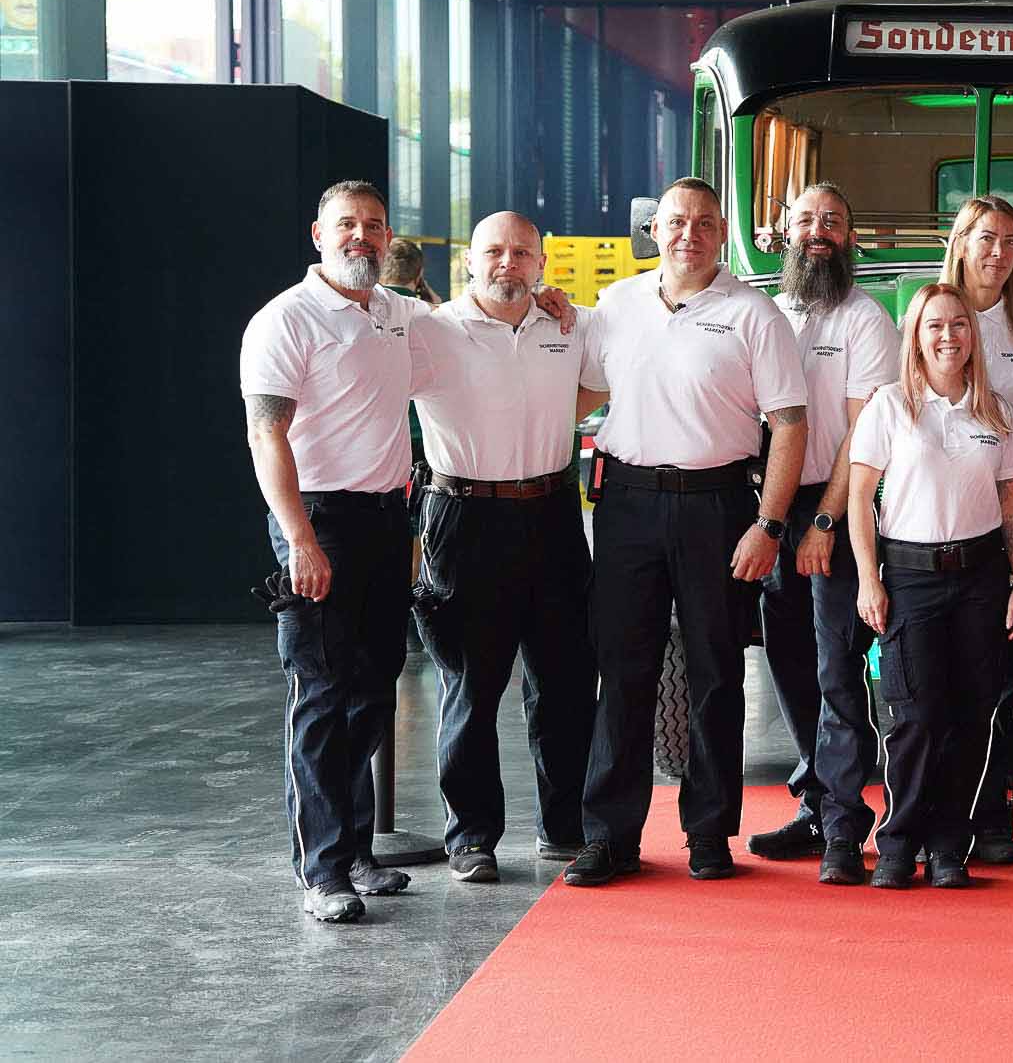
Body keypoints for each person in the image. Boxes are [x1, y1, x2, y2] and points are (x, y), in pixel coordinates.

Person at [566, 177, 808, 886]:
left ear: (722, 231)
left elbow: (790, 424)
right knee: (623, 671)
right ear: (655, 230)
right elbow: (586, 391)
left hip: (718, 507)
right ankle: (610, 837)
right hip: (626, 505)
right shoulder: (615, 305)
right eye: (676, 221)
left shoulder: (754, 313)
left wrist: (769, 525)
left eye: (704, 222)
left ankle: (708, 832)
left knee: (715, 671)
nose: (689, 235)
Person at [240, 180, 429, 923]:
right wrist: (300, 539)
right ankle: (321, 870)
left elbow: (476, 321)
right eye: (347, 224)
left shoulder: (396, 312)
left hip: (385, 520)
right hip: (318, 521)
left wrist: (545, 301)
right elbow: (266, 434)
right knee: (320, 695)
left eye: (374, 225)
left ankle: (354, 851)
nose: (362, 235)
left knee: (373, 691)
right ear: (318, 234)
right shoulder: (285, 318)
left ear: (388, 238)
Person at [405, 211, 605, 883]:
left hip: (552, 513)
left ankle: (564, 827)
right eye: (495, 251)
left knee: (566, 681)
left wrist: (542, 416)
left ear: (542, 263)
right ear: (470, 259)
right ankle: (471, 837)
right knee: (471, 683)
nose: (508, 263)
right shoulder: (432, 330)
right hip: (463, 517)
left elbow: (604, 381)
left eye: (522, 252)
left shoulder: (567, 326)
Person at [848, 284, 1013, 888]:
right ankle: (899, 842)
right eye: (935, 325)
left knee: (972, 716)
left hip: (982, 578)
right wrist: (868, 579)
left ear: (973, 335)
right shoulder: (889, 406)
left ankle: (950, 845)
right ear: (916, 336)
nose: (948, 336)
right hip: (910, 578)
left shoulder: (996, 410)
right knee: (917, 716)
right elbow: (859, 498)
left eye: (959, 324)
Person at [748, 183, 901, 872]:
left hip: (832, 511)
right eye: (806, 219)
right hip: (769, 510)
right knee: (788, 661)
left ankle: (843, 823)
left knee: (837, 668)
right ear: (785, 233)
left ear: (850, 238)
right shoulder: (765, 313)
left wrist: (825, 520)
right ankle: (818, 805)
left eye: (832, 221)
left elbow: (863, 435)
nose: (818, 231)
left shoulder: (866, 320)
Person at [942, 195, 1013, 865]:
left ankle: (992, 816)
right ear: (960, 243)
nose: (999, 252)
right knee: (936, 677)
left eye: (1011, 241)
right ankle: (933, 813)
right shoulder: (930, 319)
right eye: (986, 238)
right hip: (939, 511)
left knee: (1000, 675)